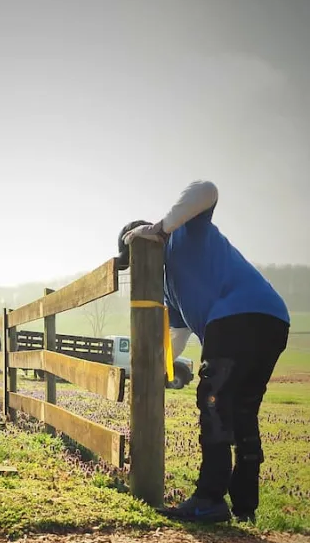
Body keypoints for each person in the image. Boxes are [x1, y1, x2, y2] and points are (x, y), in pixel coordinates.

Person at [118, 180, 290, 525]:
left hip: (236, 317)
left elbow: (207, 189)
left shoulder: (185, 229)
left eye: (136, 255)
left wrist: (162, 228)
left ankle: (209, 499)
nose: (137, 266)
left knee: (213, 403)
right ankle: (245, 505)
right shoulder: (170, 288)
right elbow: (176, 339)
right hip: (272, 320)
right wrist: (155, 372)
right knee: (242, 411)